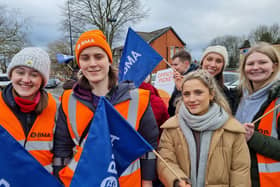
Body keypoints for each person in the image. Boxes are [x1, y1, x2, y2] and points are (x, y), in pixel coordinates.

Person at [53, 30, 159, 187]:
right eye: (85, 58)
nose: (92, 63)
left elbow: (149, 147)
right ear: (79, 63)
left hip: (127, 182)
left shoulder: (138, 99)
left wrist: (147, 181)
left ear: (109, 60)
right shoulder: (68, 100)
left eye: (98, 56)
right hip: (85, 181)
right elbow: (62, 147)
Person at [157, 70, 251, 187]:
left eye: (198, 93)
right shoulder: (171, 127)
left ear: (211, 94)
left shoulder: (232, 129)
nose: (191, 99)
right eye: (186, 94)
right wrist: (177, 180)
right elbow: (165, 162)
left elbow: (240, 172)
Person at [0, 47, 56, 173]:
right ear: (11, 75)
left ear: (42, 80)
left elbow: (63, 152)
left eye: (34, 74)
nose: (26, 80)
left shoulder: (57, 108)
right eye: (20, 72)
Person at [233, 42, 280, 187]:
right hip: (237, 177)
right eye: (250, 63)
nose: (255, 67)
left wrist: (253, 137)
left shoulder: (278, 100)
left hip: (266, 181)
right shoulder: (238, 96)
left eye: (262, 62)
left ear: (274, 66)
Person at [168, 50, 198, 116]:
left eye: (176, 65)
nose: (173, 68)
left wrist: (181, 88)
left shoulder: (197, 78)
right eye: (172, 65)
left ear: (186, 64)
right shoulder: (179, 76)